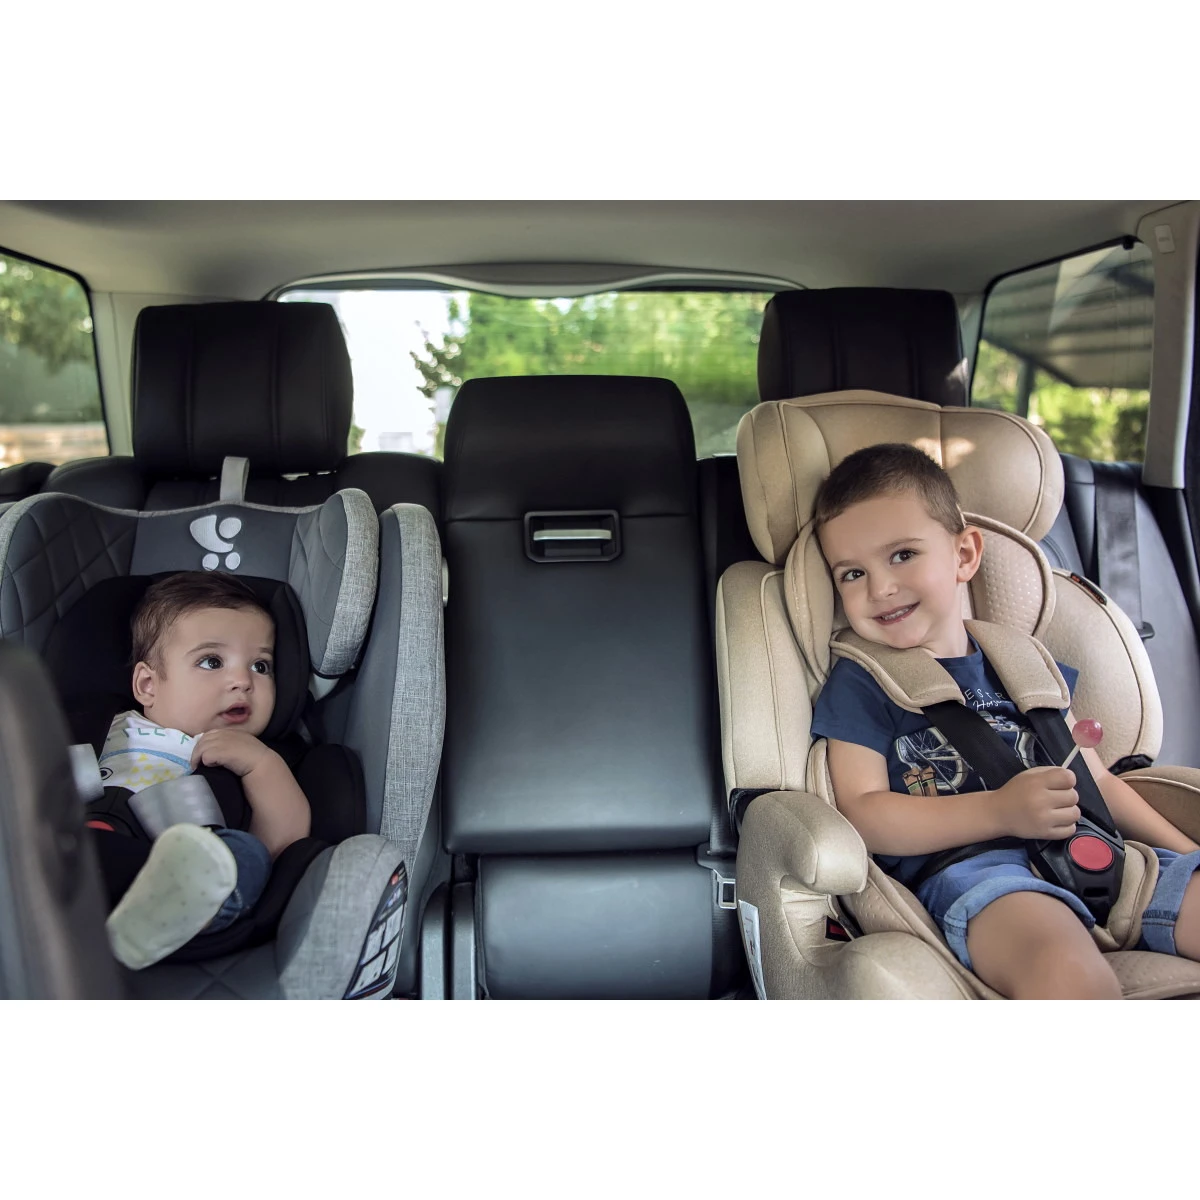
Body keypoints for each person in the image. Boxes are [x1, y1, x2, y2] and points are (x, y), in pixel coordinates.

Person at [810, 443, 1200, 999]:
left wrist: (1187, 854)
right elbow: (863, 814)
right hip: (982, 876)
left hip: (1101, 853)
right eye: (852, 573)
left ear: (965, 554)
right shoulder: (863, 683)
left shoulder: (1024, 662)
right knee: (1065, 971)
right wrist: (999, 810)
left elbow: (1097, 781)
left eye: (902, 555)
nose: (880, 588)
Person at [96, 571, 311, 970]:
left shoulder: (254, 758)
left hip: (165, 874)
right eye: (212, 661)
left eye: (261, 666)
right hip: (67, 846)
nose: (242, 681)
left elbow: (285, 843)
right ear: (147, 685)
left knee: (246, 856)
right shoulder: (100, 726)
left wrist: (262, 765)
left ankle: (150, 922)